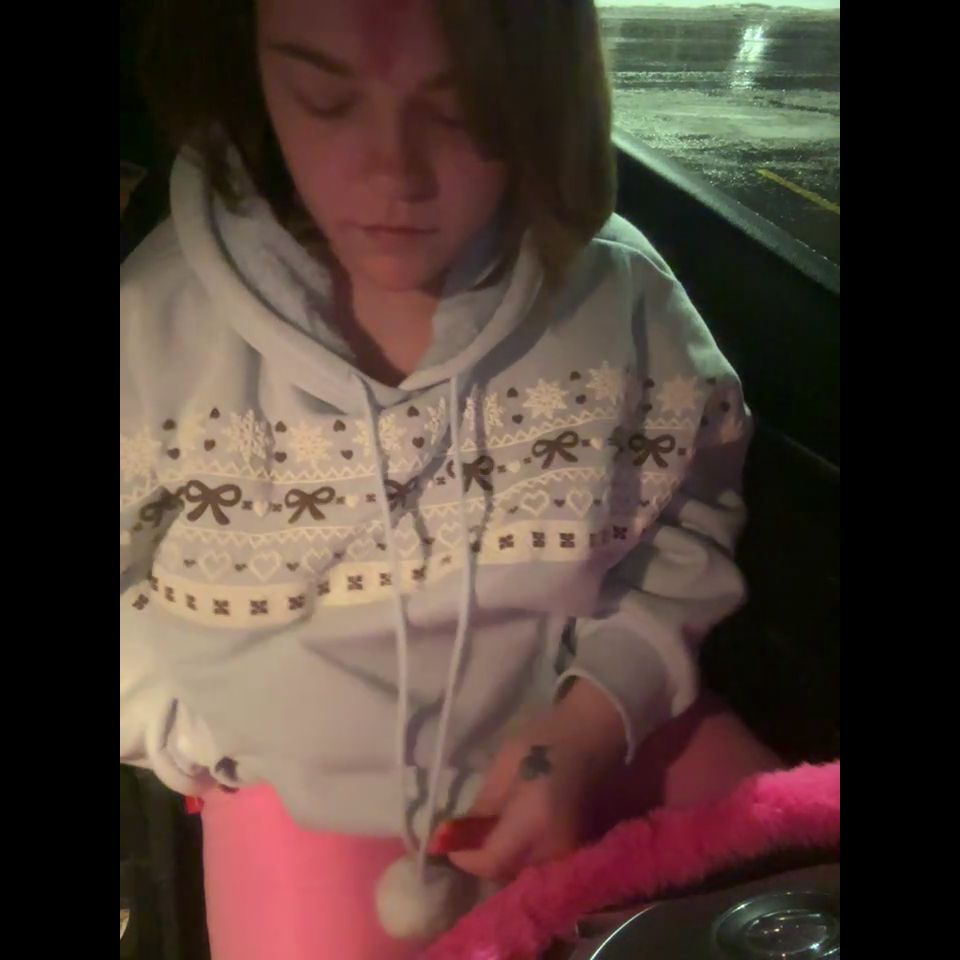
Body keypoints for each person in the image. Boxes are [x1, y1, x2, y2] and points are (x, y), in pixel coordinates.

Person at [120, 2, 778, 956]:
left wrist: (590, 722)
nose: (394, 173)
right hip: (306, 794)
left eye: (461, 107)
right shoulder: (155, 329)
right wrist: (210, 730)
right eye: (323, 98)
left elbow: (681, 520)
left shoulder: (618, 297)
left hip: (597, 723)